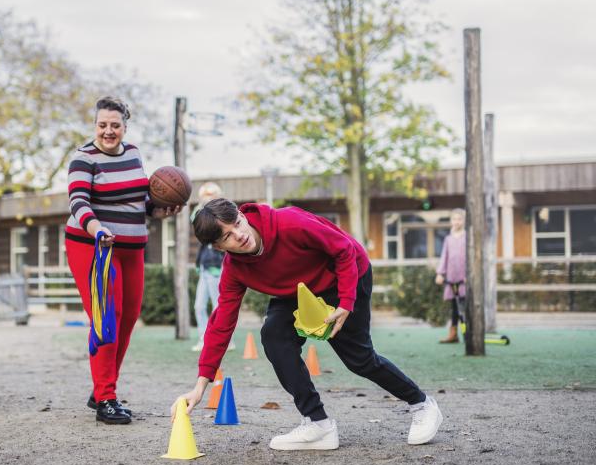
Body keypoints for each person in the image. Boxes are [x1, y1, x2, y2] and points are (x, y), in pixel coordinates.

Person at [171, 198, 443, 450]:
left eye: (237, 224)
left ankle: (421, 404)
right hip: (297, 290)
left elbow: (344, 250)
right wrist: (201, 384)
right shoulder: (235, 270)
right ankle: (318, 424)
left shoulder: (289, 222)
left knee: (359, 359)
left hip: (344, 275)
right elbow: (222, 322)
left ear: (242, 215)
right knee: (274, 335)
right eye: (227, 236)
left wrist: (347, 302)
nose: (239, 234)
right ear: (219, 247)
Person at [66, 96, 178, 425]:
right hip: (94, 246)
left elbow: (141, 202)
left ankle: (101, 387)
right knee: (107, 318)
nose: (108, 131)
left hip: (133, 250)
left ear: (125, 127)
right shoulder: (83, 159)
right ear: (95, 126)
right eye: (103, 125)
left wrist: (160, 210)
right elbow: (78, 201)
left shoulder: (133, 153)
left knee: (128, 319)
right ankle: (106, 400)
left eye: (115, 125)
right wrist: (98, 229)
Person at [190, 182, 234, 352]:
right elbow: (194, 219)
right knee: (199, 306)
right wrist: (202, 202)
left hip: (217, 268)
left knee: (218, 306)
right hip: (204, 267)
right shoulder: (202, 215)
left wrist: (214, 199)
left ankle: (224, 341)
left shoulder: (221, 214)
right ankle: (204, 338)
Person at [435, 208, 467, 344]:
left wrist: (469, 275)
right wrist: (440, 273)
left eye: (459, 219)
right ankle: (453, 334)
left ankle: (469, 332)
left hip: (464, 278)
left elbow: (470, 257)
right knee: (455, 307)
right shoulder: (448, 239)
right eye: (454, 219)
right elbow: (444, 256)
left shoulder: (467, 237)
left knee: (465, 307)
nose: (457, 222)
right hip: (451, 278)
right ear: (451, 221)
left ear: (464, 221)